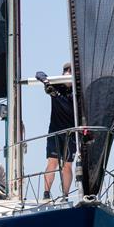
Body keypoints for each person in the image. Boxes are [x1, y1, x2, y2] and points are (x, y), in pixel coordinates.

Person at [37, 62, 75, 200]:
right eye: (66, 73)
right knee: (52, 163)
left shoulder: (78, 90)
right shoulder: (56, 86)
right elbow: (39, 73)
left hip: (71, 133)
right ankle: (46, 194)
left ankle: (65, 195)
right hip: (54, 131)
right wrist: (47, 83)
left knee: (67, 165)